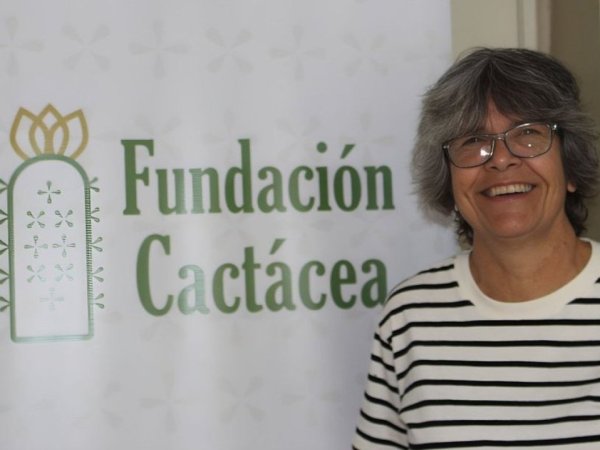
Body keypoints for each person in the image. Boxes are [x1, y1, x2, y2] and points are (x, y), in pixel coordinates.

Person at [352, 47, 600, 449]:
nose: (501, 160)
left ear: (570, 165)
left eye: (528, 134)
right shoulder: (410, 319)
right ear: (448, 181)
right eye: (473, 141)